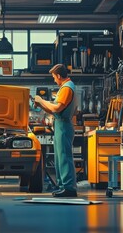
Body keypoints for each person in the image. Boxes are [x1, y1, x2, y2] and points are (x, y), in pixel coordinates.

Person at [34, 64, 78, 197]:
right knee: (60, 157)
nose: (54, 80)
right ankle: (63, 186)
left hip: (64, 125)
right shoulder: (65, 88)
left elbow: (57, 108)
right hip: (60, 124)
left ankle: (69, 187)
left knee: (64, 156)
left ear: (59, 76)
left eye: (54, 77)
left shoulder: (66, 88)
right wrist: (41, 105)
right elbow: (54, 110)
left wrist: (41, 100)